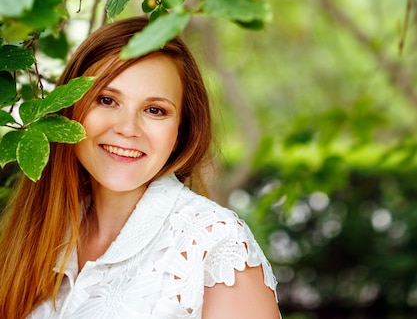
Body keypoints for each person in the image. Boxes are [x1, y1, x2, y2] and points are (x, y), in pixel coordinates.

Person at [0, 17, 281, 318]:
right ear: (69, 111)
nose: (128, 128)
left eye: (154, 110)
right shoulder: (40, 229)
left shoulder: (216, 245)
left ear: (181, 131)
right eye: (107, 100)